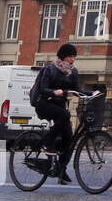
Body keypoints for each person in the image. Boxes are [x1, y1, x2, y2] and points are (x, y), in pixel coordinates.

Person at [31, 43, 80, 184]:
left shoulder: (73, 72)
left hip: (58, 105)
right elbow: (43, 88)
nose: (73, 59)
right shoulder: (50, 69)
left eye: (74, 56)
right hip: (44, 103)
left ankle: (61, 170)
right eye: (70, 56)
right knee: (65, 115)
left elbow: (77, 90)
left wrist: (93, 93)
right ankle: (47, 141)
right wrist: (54, 91)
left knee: (69, 140)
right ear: (63, 57)